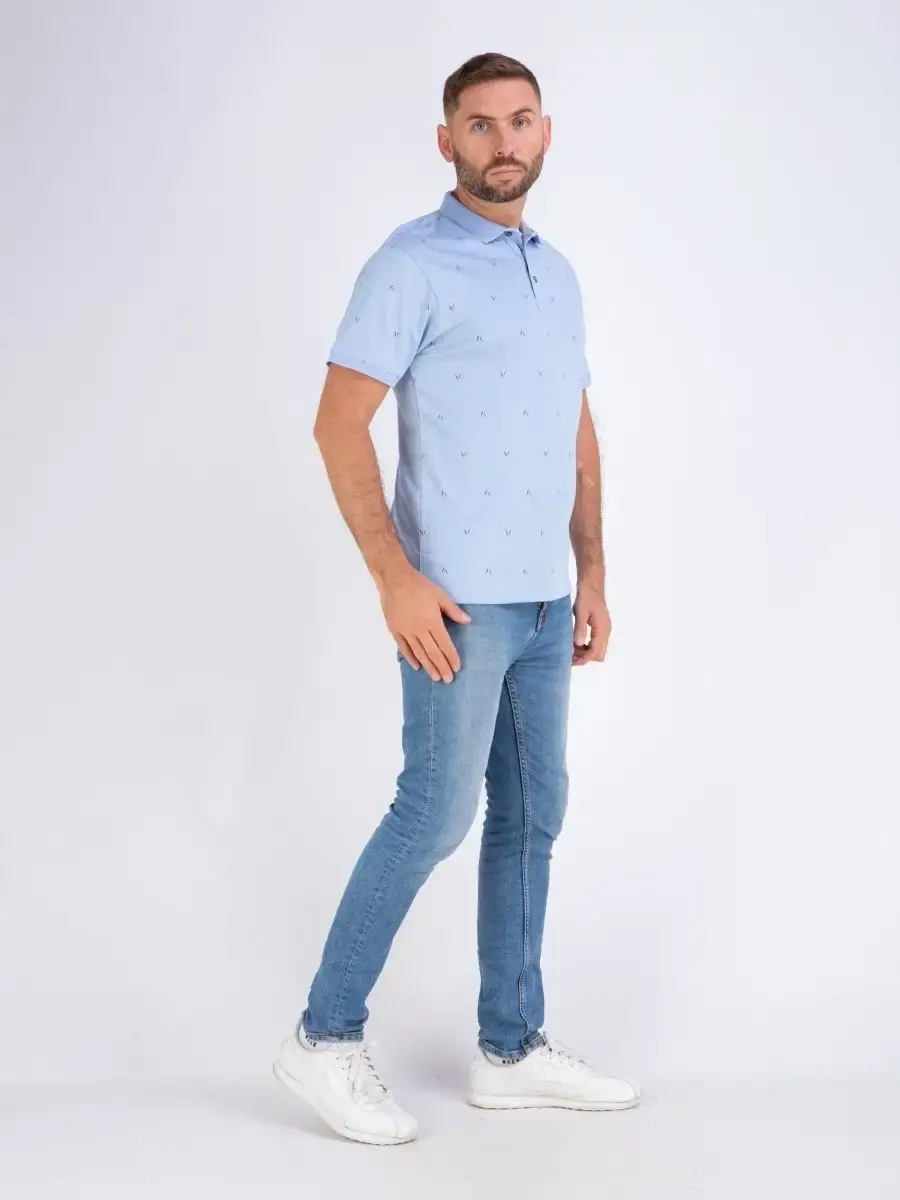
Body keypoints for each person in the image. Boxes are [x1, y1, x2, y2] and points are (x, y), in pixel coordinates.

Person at [273, 51, 640, 1145]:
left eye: (520, 120)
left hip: (542, 604)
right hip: (457, 608)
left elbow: (576, 430)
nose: (503, 142)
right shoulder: (410, 264)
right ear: (447, 142)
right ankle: (323, 1038)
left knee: (534, 815)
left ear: (546, 133)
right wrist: (396, 580)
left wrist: (592, 570)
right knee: (433, 814)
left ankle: (510, 1049)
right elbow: (338, 424)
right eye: (480, 125)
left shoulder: (556, 273)